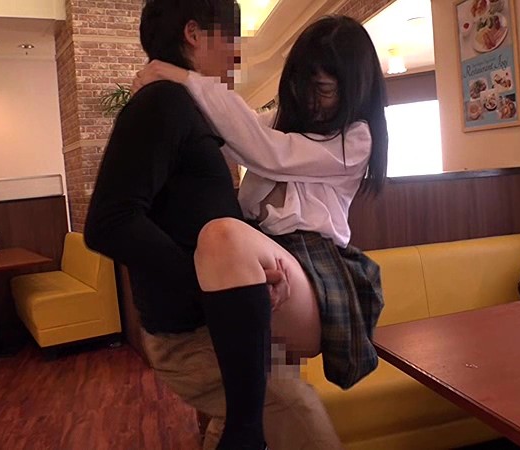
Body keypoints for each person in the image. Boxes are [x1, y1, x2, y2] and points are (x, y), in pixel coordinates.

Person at [85, 1, 345, 449]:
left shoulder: (186, 106)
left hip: (213, 324)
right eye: (231, 40)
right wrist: (208, 286)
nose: (236, 56)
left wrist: (244, 277)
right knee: (298, 416)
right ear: (194, 34)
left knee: (238, 424)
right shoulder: (163, 102)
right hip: (191, 334)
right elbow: (109, 222)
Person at [132, 12, 388, 450]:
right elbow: (238, 131)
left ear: (355, 89)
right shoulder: (280, 122)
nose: (310, 101)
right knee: (256, 386)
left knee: (224, 236)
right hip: (266, 249)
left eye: (324, 90)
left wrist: (183, 77)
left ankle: (243, 430)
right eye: (301, 87)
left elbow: (268, 152)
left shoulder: (356, 139)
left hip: (316, 260)